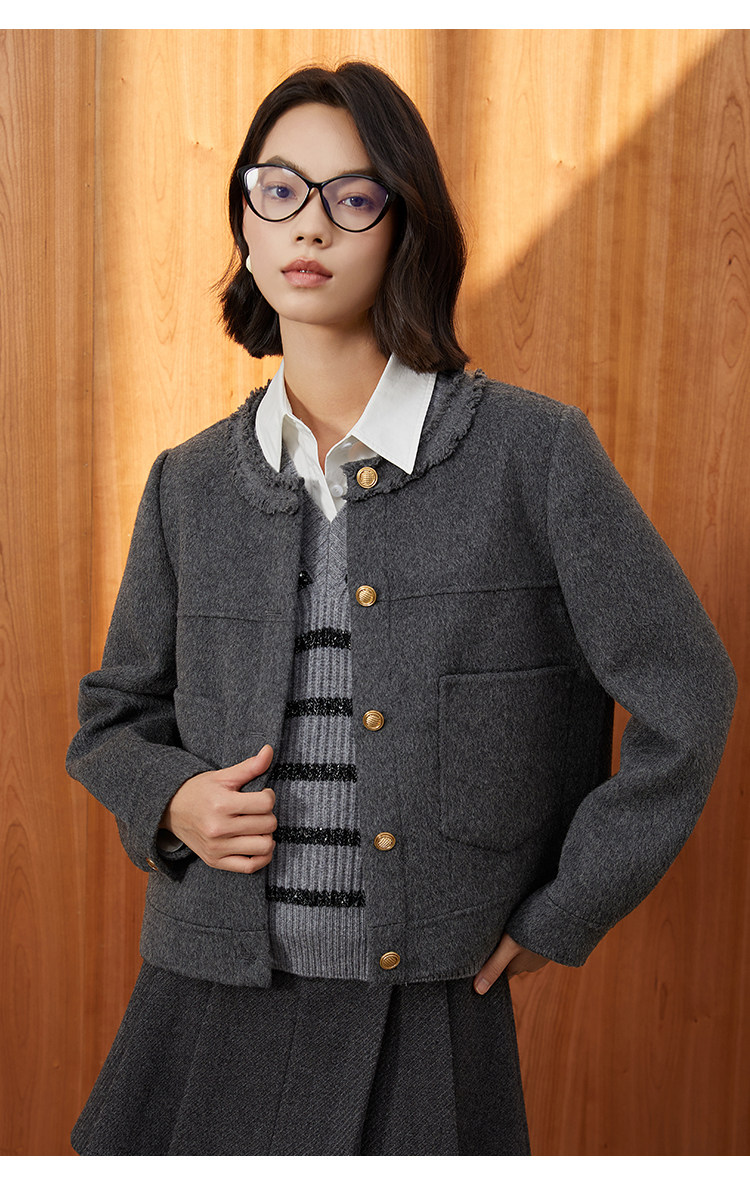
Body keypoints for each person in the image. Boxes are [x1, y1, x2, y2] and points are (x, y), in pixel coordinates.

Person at [66, 61, 736, 1156]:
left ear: (404, 225)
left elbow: (688, 693)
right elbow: (112, 717)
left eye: (353, 196)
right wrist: (173, 799)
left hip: (428, 1003)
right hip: (206, 992)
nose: (309, 224)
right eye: (278, 189)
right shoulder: (189, 483)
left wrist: (566, 907)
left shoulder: (531, 455)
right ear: (244, 220)